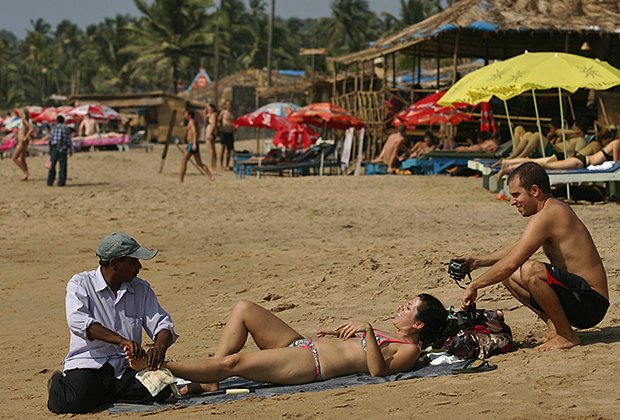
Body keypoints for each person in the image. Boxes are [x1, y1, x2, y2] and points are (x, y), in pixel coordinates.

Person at [125, 294, 447, 395]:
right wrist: (339, 333)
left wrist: (365, 330)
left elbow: (379, 373)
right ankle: (210, 381)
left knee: (236, 363)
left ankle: (159, 366)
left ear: (418, 325)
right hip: (304, 345)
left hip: (312, 366)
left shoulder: (409, 349)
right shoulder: (388, 333)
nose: (401, 307)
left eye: (408, 308)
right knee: (243, 308)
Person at [456, 162, 609, 351]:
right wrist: (477, 262)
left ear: (534, 191)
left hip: (591, 302)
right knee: (508, 276)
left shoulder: (550, 213)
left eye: (516, 195)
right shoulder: (549, 210)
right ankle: (556, 327)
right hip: (578, 297)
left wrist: (474, 285)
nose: (512, 202)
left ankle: (566, 335)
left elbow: (512, 262)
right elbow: (518, 248)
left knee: (529, 270)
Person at [47, 233, 178, 414]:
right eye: (134, 262)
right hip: (91, 363)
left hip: (125, 367)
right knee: (73, 402)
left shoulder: (142, 288)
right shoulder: (80, 284)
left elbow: (163, 325)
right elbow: (81, 323)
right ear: (115, 263)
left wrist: (159, 348)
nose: (139, 266)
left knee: (161, 391)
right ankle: (57, 382)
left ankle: (105, 393)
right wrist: (122, 341)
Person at [180, 109, 214, 183]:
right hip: (191, 143)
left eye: (185, 114)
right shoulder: (190, 122)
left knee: (184, 161)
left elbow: (195, 133)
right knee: (199, 163)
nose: (184, 115)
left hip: (192, 144)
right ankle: (210, 176)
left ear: (189, 115)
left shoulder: (192, 122)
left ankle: (181, 180)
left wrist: (194, 143)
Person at [47, 115, 72, 187]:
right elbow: (68, 140)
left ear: (57, 121)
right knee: (63, 166)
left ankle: (50, 181)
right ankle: (61, 182)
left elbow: (50, 139)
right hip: (63, 148)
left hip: (54, 147)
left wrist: (50, 150)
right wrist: (70, 149)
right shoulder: (66, 128)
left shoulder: (54, 128)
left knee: (52, 165)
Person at [12, 108, 33, 181]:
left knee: (14, 158)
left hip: (22, 142)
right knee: (22, 158)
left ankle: (25, 172)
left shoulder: (24, 120)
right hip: (22, 141)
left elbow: (31, 129)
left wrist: (25, 137)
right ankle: (25, 175)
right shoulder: (23, 120)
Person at [218, 100, 235, 170]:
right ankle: (221, 165)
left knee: (229, 150)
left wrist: (235, 128)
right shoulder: (223, 112)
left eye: (230, 104)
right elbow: (218, 120)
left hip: (230, 132)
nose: (229, 106)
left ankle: (227, 164)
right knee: (222, 149)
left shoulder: (233, 113)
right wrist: (221, 128)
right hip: (224, 132)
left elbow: (235, 121)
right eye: (227, 105)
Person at [204, 103, 218, 171]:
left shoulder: (213, 115)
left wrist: (210, 133)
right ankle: (213, 165)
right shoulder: (211, 115)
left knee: (211, 150)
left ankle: (212, 165)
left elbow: (214, 124)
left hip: (210, 132)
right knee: (212, 150)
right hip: (209, 131)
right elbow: (204, 115)